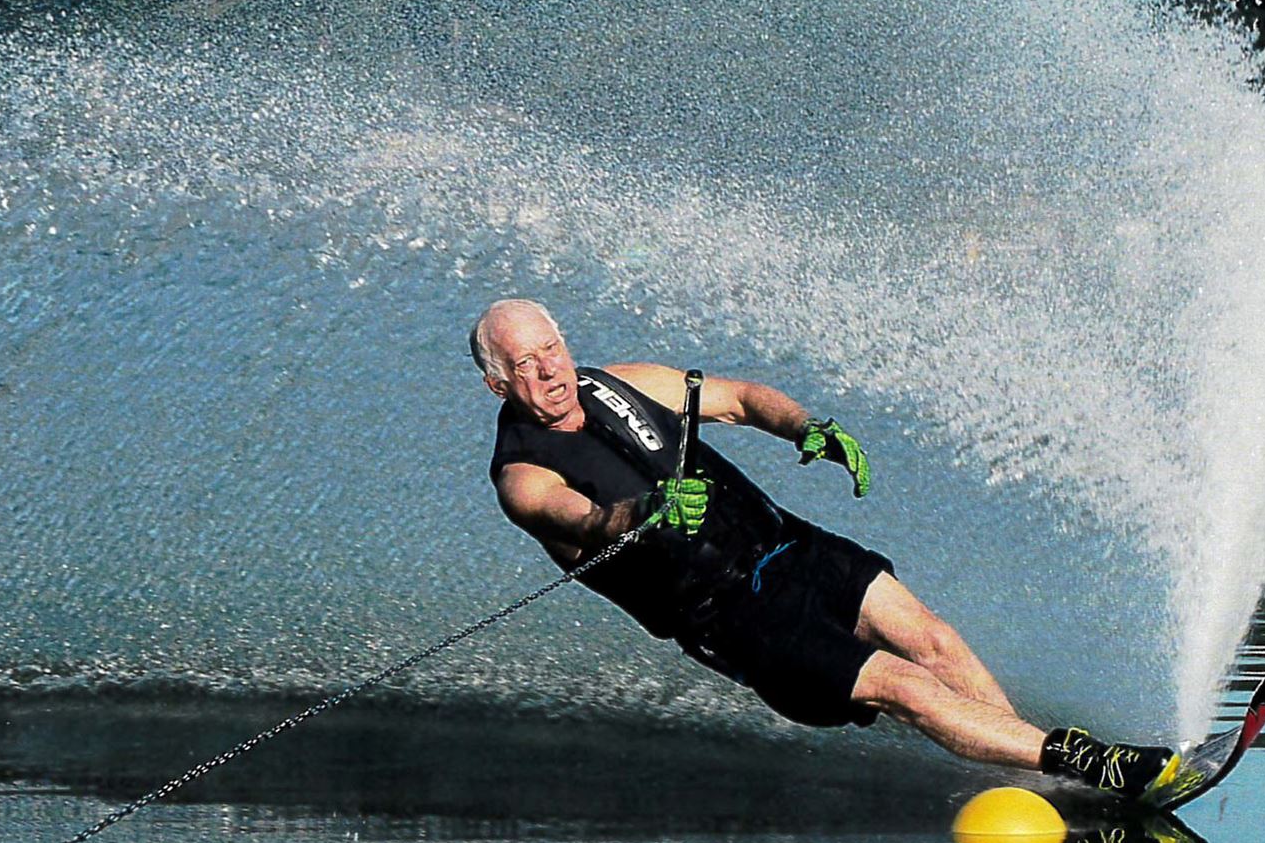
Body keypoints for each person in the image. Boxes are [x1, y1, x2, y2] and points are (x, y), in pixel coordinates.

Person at [470, 297, 1176, 795]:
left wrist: (804, 427)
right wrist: (648, 510)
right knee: (905, 686)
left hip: (790, 546)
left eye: (552, 348)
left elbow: (742, 399)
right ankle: (1094, 763)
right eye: (526, 363)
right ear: (497, 382)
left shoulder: (620, 382)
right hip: (735, 618)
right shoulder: (521, 478)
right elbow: (589, 520)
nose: (550, 371)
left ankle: (1040, 777)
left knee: (932, 639)